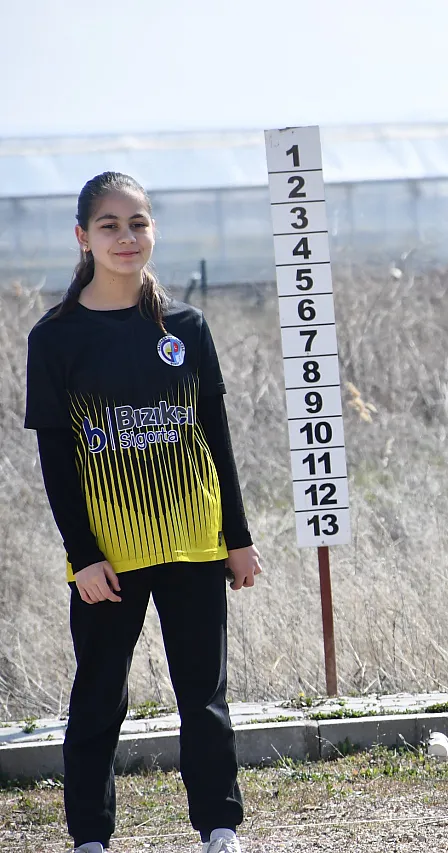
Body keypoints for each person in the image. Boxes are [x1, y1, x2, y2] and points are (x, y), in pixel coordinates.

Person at [24, 171, 262, 853]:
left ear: (152, 231)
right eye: (110, 225)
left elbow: (215, 438)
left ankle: (219, 827)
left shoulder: (185, 326)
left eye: (138, 223)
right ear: (83, 237)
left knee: (203, 695)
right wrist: (83, 556)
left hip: (194, 542)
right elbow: (57, 461)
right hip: (110, 556)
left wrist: (238, 538)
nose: (126, 237)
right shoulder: (56, 338)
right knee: (100, 696)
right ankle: (90, 836)